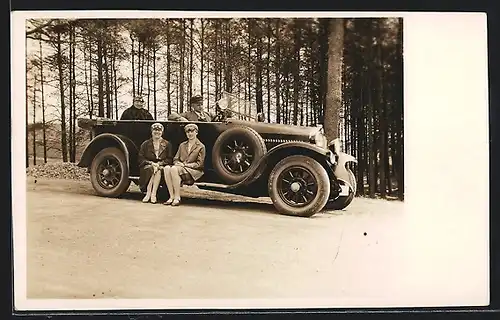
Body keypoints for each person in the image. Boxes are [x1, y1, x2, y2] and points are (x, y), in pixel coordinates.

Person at [163, 123, 206, 206]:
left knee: (174, 169)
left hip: (193, 171)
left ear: (196, 132)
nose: (190, 134)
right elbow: (175, 158)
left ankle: (177, 197)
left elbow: (199, 164)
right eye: (187, 132)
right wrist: (177, 163)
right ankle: (171, 196)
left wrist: (185, 165)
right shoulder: (182, 145)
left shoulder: (201, 146)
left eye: (192, 131)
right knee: (167, 168)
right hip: (181, 168)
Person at [138, 123, 173, 204]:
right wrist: (151, 163)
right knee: (153, 169)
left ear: (162, 132)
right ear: (151, 131)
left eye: (159, 131)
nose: (157, 132)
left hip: (161, 166)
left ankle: (150, 193)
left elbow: (169, 159)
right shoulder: (145, 144)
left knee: (157, 170)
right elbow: (141, 158)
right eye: (155, 130)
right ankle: (151, 194)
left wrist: (159, 164)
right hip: (147, 166)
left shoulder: (167, 144)